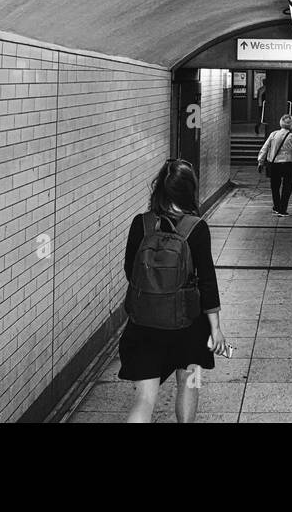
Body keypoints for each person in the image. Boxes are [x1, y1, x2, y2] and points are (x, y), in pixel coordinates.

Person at [119, 159, 228, 423]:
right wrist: (215, 328)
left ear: (159, 190)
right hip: (189, 326)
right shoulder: (196, 227)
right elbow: (207, 282)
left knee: (144, 400)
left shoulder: (141, 224)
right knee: (191, 382)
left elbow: (130, 271)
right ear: (189, 190)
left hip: (144, 323)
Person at [258, 113, 292, 217]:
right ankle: (283, 209)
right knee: (287, 187)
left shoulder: (273, 134)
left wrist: (260, 162)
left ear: (281, 123)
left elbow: (264, 148)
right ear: (291, 124)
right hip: (289, 165)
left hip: (274, 165)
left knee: (275, 187)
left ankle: (276, 207)